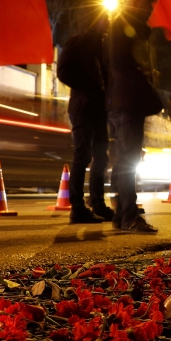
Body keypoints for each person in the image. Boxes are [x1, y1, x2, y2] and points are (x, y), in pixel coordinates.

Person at [106, 0, 163, 233]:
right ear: (135, 4)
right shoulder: (124, 27)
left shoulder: (124, 27)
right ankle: (129, 216)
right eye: (146, 5)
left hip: (123, 102)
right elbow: (124, 65)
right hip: (128, 102)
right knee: (129, 160)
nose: (150, 10)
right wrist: (144, 78)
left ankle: (122, 214)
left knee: (124, 158)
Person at [58, 17, 114, 224]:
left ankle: (98, 204)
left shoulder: (103, 47)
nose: (107, 23)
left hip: (99, 109)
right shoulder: (77, 42)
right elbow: (63, 72)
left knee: (101, 158)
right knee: (82, 156)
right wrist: (90, 88)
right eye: (104, 19)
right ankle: (78, 208)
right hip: (83, 107)